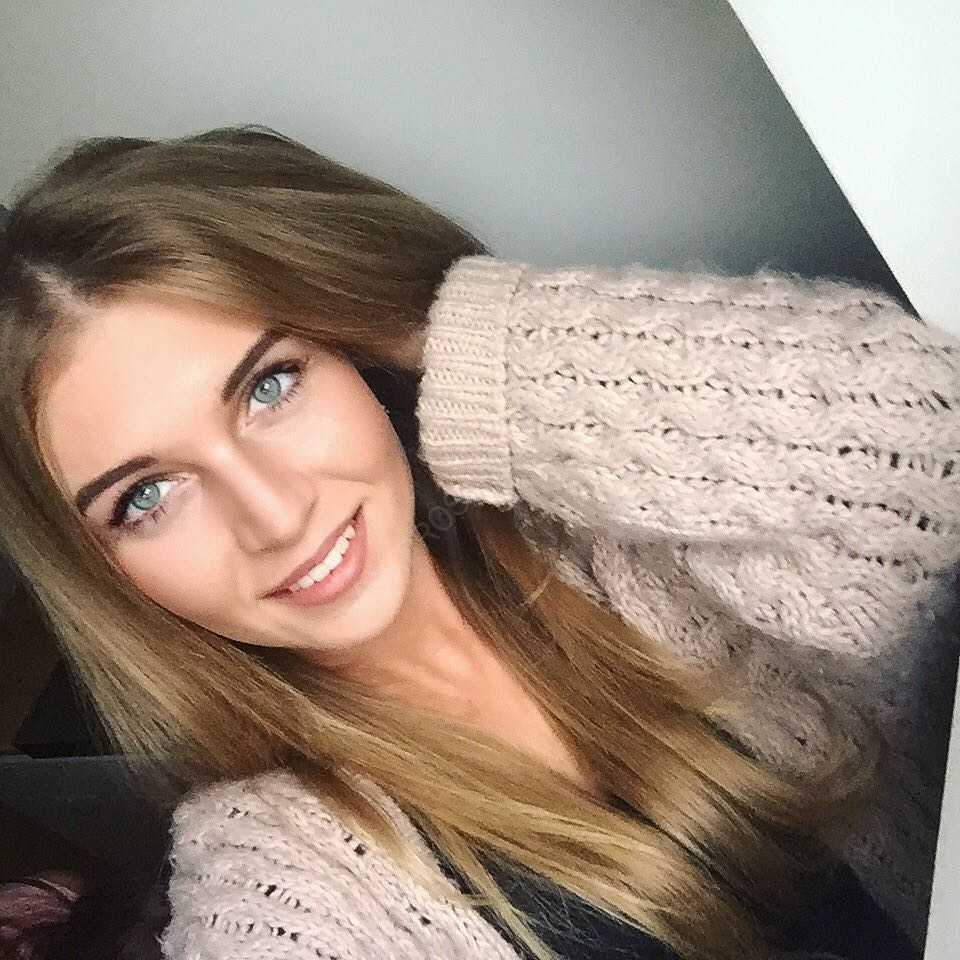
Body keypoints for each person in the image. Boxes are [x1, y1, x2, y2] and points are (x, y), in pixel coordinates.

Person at [0, 124, 956, 960]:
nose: (276, 515)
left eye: (270, 385)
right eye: (147, 497)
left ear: (355, 352)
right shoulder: (278, 876)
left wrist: (419, 322)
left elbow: (927, 439)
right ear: (100, 574)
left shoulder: (614, 533)